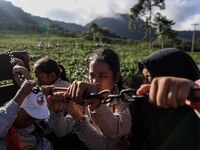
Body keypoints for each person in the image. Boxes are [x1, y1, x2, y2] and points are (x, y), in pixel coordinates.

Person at [43, 48, 132, 150]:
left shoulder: (125, 101)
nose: (95, 81)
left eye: (102, 76)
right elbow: (62, 131)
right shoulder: (86, 96)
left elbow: (105, 145)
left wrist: (84, 111)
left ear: (116, 77)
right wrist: (56, 111)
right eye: (92, 75)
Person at [129, 48, 200, 150]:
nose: (144, 85)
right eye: (143, 78)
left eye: (149, 78)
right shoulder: (142, 108)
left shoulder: (195, 116)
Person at [0, 80, 53, 149]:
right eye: (28, 118)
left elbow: (56, 130)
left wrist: (55, 109)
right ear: (18, 108)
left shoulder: (37, 127)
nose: (31, 122)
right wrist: (20, 96)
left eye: (35, 118)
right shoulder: (4, 119)